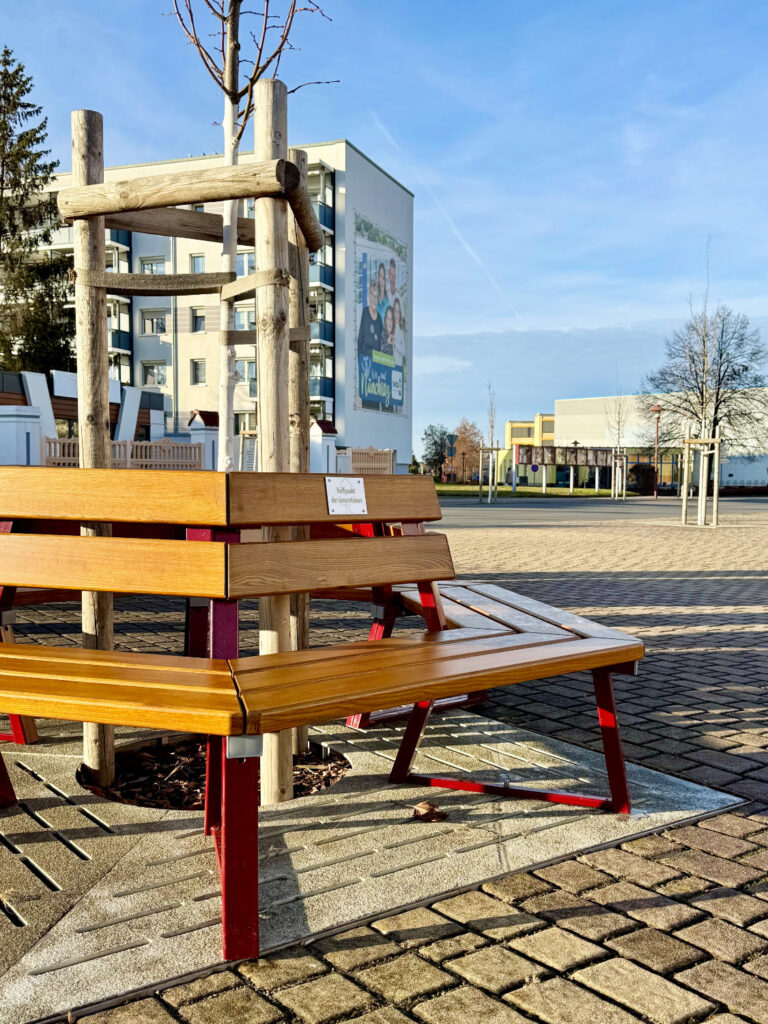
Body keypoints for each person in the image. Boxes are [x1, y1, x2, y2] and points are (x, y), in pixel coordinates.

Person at [358, 278, 384, 357]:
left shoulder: (379, 318)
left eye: (376, 297)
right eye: (373, 296)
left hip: (375, 363)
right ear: (369, 295)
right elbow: (360, 339)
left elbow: (380, 345)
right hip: (364, 360)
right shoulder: (365, 312)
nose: (374, 300)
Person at [393, 296, 406, 366]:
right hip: (388, 364)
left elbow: (404, 351)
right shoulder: (390, 327)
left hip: (398, 367)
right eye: (395, 311)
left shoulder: (401, 331)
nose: (396, 314)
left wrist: (395, 344)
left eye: (398, 311)